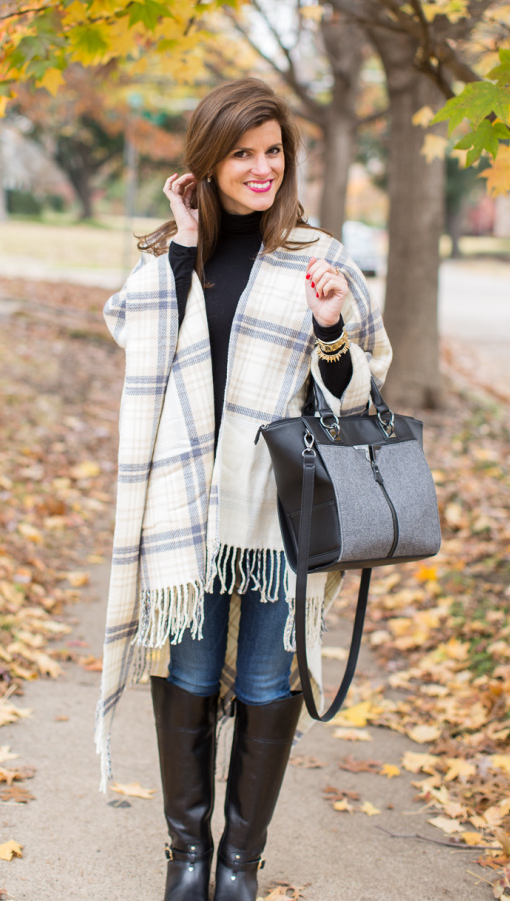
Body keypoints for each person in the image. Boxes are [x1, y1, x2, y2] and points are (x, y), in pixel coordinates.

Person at [95, 78, 392, 901]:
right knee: (187, 674)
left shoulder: (318, 255)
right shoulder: (168, 254)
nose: (262, 169)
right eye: (243, 154)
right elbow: (138, 334)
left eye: (274, 153)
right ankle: (186, 855)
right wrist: (188, 246)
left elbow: (362, 396)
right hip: (188, 507)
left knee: (267, 683)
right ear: (209, 161)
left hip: (279, 517)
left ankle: (237, 865)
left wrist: (332, 328)